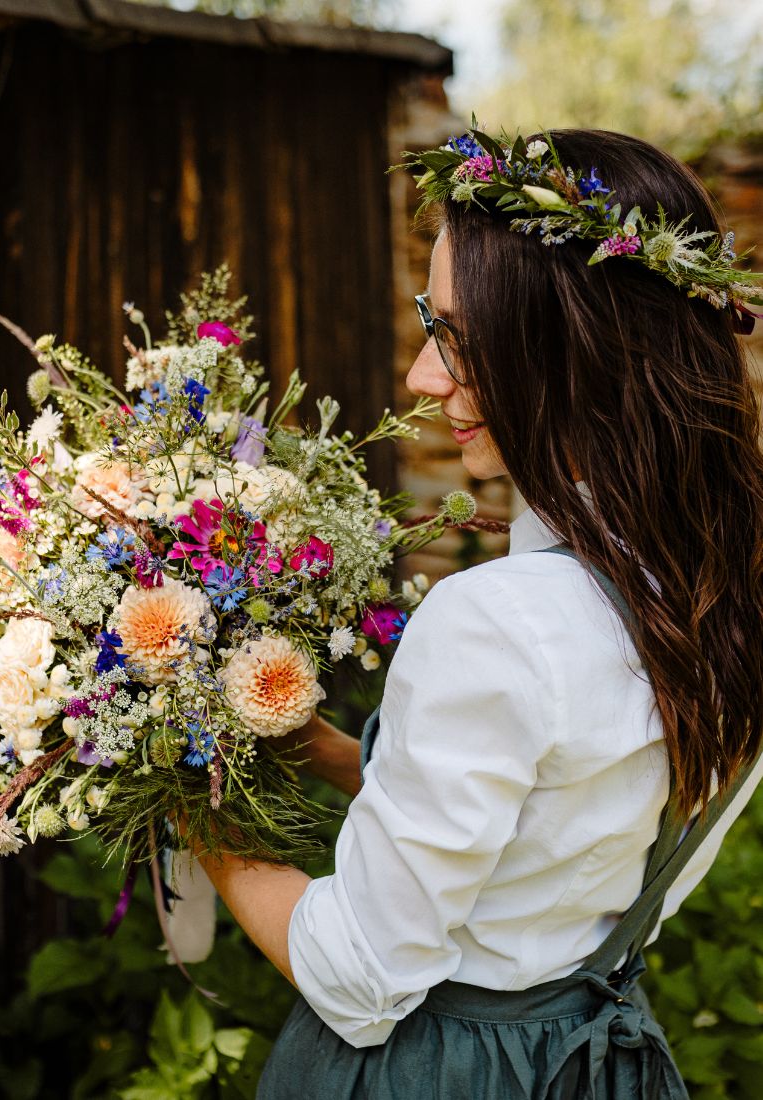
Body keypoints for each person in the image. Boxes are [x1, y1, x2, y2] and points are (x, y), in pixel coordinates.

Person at [185, 128, 763, 1098]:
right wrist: (324, 750)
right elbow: (559, 808)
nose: (419, 375)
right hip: (586, 1057)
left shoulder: (495, 623)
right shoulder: (719, 583)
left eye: (455, 335)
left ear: (572, 354)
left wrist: (184, 794)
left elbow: (355, 973)